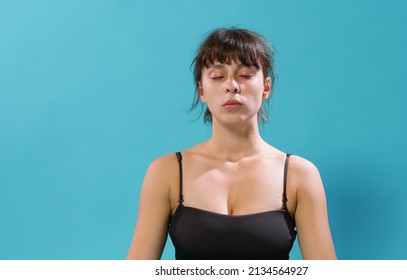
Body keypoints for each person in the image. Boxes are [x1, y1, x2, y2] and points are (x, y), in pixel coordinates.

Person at [126, 27, 336, 260]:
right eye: (217, 76)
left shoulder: (299, 174)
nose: (232, 85)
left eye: (245, 75)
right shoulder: (167, 172)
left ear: (266, 87)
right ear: (201, 89)